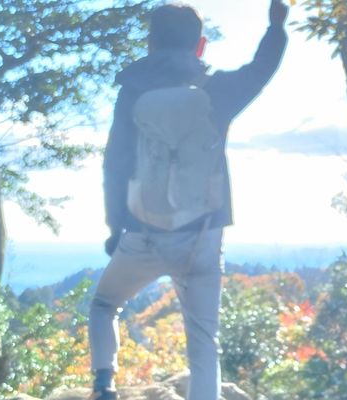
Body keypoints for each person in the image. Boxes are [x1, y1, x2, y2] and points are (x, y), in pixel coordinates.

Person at [88, 2, 288, 399]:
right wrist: (276, 27)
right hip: (203, 236)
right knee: (204, 341)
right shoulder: (217, 91)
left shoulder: (131, 93)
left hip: (142, 232)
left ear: (150, 43)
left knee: (104, 304)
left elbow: (115, 163)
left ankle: (104, 385)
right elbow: (261, 69)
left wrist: (115, 227)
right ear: (200, 45)